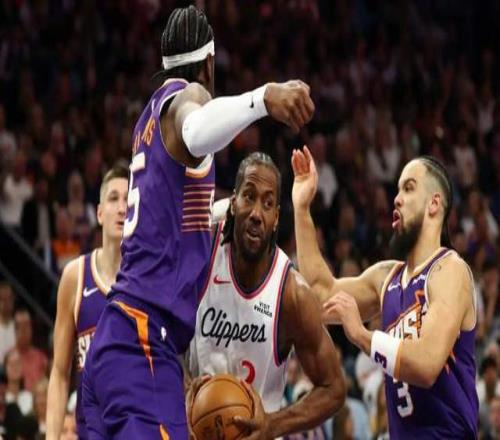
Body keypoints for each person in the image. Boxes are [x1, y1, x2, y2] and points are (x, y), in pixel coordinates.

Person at [82, 5, 314, 439]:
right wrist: (263, 97)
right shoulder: (187, 98)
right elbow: (196, 129)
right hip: (143, 342)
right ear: (209, 63)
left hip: (112, 345)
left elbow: (175, 217)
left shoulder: (147, 122)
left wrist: (228, 210)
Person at [291, 147, 478, 438]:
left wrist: (362, 336)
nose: (397, 198)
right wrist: (302, 209)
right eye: (398, 189)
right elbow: (319, 294)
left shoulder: (450, 270)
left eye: (409, 188)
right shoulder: (386, 278)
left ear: (434, 203)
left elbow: (426, 364)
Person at [188, 153, 345, 438]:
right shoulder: (201, 254)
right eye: (249, 197)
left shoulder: (292, 295)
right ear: (233, 203)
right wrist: (183, 386)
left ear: (276, 219)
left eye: (268, 203)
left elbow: (333, 388)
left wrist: (273, 424)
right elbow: (157, 331)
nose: (257, 213)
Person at [46, 165, 128, 440]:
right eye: (114, 198)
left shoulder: (147, 279)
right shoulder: (76, 276)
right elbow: (60, 373)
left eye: (128, 200)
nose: (122, 208)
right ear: (99, 213)